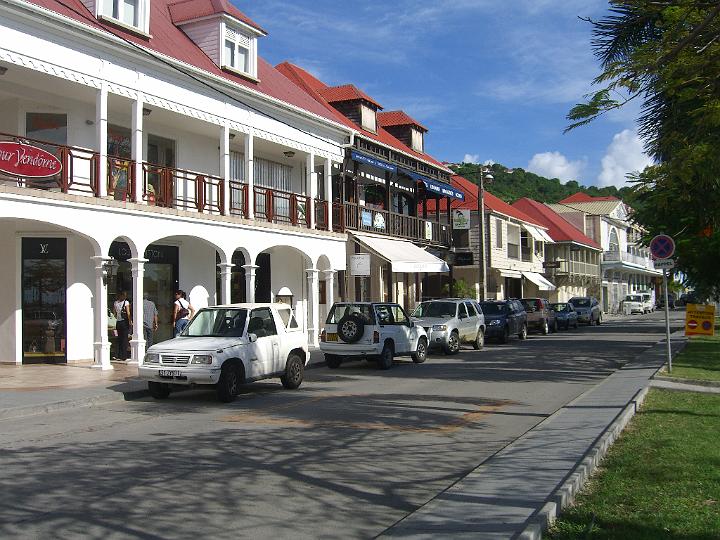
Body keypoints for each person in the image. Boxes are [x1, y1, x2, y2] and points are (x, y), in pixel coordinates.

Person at [113, 291, 132, 360]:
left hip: (118, 322)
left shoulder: (115, 303)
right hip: (124, 322)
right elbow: (128, 313)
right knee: (125, 339)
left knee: (119, 338)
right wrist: (130, 321)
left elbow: (114, 314)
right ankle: (124, 356)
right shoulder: (126, 302)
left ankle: (118, 355)